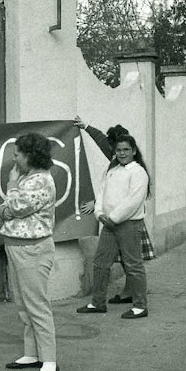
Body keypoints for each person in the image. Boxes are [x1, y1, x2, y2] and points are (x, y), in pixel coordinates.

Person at [0, 133, 59, 371]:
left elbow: (13, 208)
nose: (14, 158)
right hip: (18, 247)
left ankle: (50, 360)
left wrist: (11, 186)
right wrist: (7, 208)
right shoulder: (29, 178)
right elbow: (9, 210)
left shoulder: (39, 181)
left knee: (36, 304)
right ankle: (32, 353)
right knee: (23, 304)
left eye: (16, 154)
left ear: (30, 155)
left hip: (32, 249)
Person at [74, 116, 155, 304]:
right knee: (107, 262)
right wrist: (99, 209)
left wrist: (112, 217)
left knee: (131, 262)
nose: (120, 152)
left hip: (127, 221)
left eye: (125, 149)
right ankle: (105, 300)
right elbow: (106, 189)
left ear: (133, 150)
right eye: (118, 149)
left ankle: (135, 299)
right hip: (111, 220)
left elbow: (131, 199)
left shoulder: (137, 171)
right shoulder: (114, 165)